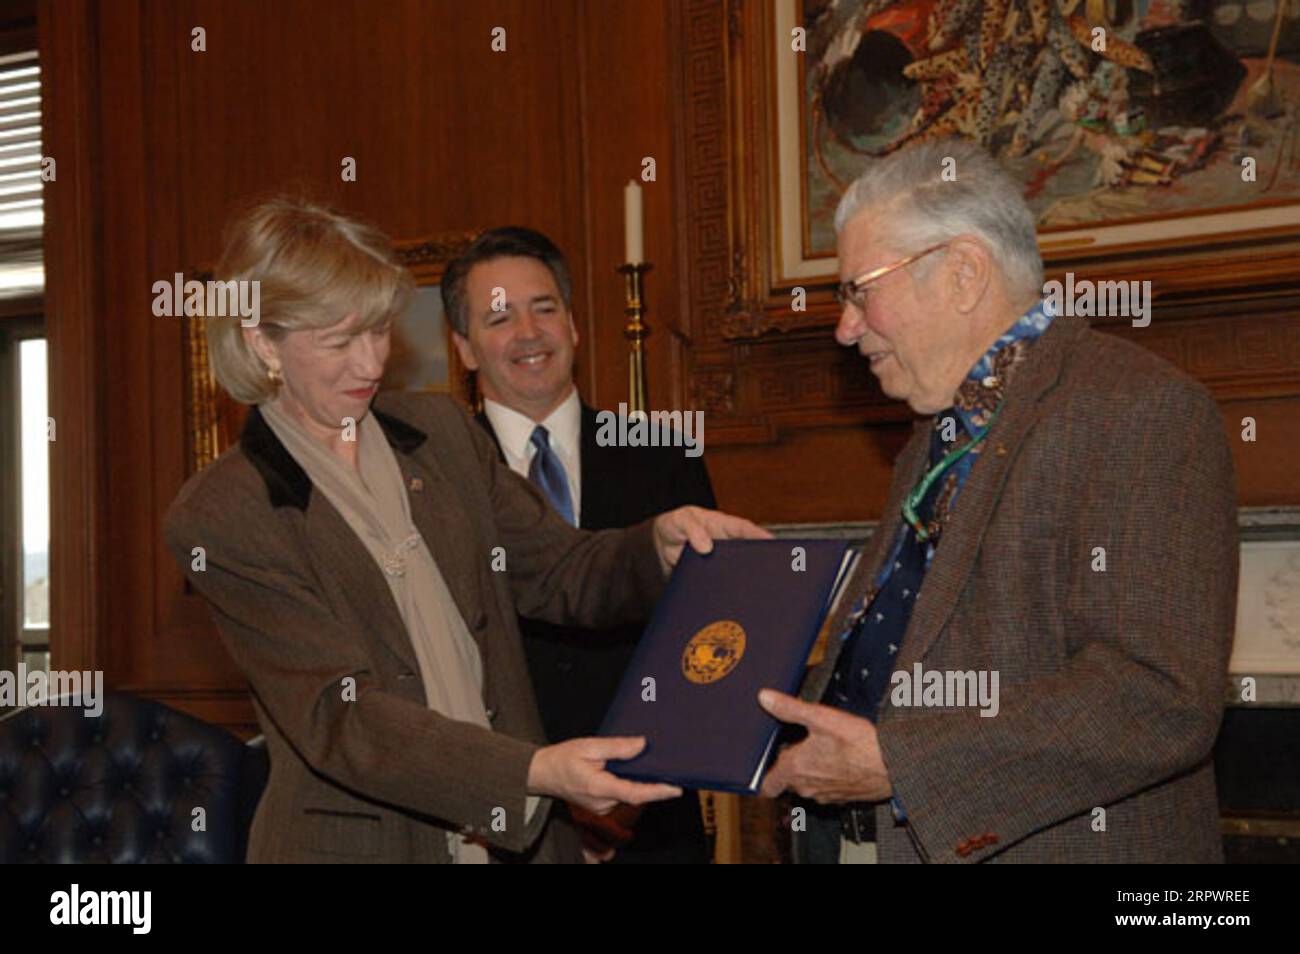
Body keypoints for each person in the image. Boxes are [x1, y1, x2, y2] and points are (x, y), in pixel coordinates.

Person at [163, 197, 765, 864]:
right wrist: (533, 774)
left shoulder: (441, 435)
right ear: (260, 341)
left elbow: (560, 570)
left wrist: (653, 547)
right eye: (339, 342)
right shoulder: (224, 513)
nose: (370, 365)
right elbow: (342, 717)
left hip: (515, 844)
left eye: (379, 332)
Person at [759, 139, 1238, 863]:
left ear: (962, 272)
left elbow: (1158, 694)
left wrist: (899, 766)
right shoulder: (935, 436)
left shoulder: (1141, 410)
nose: (845, 327)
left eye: (861, 290)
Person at [443, 226, 716, 863]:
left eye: (545, 309)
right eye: (500, 318)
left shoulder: (663, 454)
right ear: (464, 348)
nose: (529, 334)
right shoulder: (438, 479)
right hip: (505, 823)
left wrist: (627, 794)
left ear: (573, 325)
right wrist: (551, 791)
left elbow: (703, 636)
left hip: (653, 816)